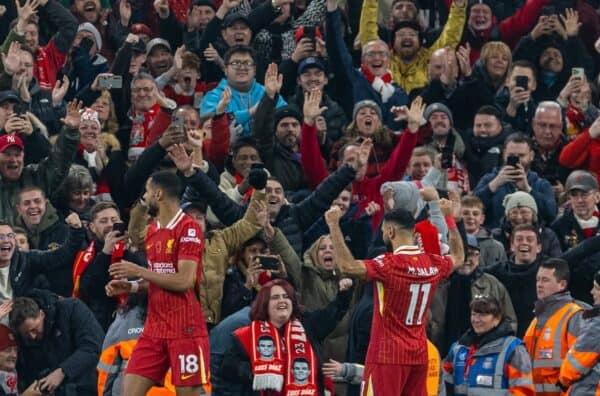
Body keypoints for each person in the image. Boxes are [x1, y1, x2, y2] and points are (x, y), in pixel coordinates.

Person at [324, 199, 464, 396]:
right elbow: (458, 257)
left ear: (390, 232)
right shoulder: (433, 263)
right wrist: (449, 218)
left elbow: (347, 266)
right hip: (419, 353)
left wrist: (333, 225)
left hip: (387, 355)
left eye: (382, 231)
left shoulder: (389, 264)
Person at [106, 169, 211, 396]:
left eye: (148, 191)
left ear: (159, 194)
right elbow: (158, 273)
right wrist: (133, 286)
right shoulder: (153, 230)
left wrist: (138, 270)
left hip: (185, 329)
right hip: (154, 328)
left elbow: (183, 280)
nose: (145, 196)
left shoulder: (188, 228)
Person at [220, 279, 351, 395]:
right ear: (264, 304)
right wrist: (258, 371)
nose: (282, 300)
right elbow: (228, 369)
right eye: (275, 297)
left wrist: (343, 294)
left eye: (286, 296)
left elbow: (331, 315)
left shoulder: (309, 325)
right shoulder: (247, 335)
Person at [429, 234, 517, 356]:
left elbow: (510, 322)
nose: (465, 259)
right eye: (459, 253)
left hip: (483, 357)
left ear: (478, 256)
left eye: (470, 253)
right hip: (439, 354)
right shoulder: (435, 284)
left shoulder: (492, 285)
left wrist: (492, 344)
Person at [9, 288, 104, 396]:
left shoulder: (72, 309)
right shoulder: (21, 338)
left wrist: (63, 371)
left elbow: (93, 346)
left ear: (42, 314)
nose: (32, 336)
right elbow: (25, 372)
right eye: (26, 334)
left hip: (88, 386)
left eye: (34, 329)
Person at [443, 296, 535, 395]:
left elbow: (523, 391)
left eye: (482, 315)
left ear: (497, 318)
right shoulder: (459, 348)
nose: (476, 320)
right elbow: (442, 382)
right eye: (473, 314)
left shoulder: (513, 349)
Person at [523, 258, 586, 396]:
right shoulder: (535, 320)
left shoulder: (574, 316)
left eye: (545, 280)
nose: (539, 285)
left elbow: (581, 368)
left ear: (562, 284)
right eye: (538, 280)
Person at [474, 132, 556, 228]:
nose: (517, 160)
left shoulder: (542, 184)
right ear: (504, 154)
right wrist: (494, 185)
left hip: (530, 238)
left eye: (521, 156)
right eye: (512, 156)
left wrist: (528, 189)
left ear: (531, 156)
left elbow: (551, 215)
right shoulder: (489, 180)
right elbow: (472, 206)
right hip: (496, 238)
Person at [558, 269, 600, 395]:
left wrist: (562, 381)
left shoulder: (597, 325)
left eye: (597, 288)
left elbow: (575, 364)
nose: (592, 292)